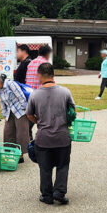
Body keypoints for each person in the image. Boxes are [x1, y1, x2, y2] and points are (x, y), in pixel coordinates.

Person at [26, 63, 75, 205]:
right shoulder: (65, 92)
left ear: (39, 75)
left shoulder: (34, 94)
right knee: (63, 165)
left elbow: (28, 114)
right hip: (62, 137)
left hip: (43, 137)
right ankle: (59, 192)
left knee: (45, 167)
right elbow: (73, 110)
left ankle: (46, 195)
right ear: (53, 75)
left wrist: (39, 121)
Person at [0, 71, 31, 162]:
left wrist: (25, 110)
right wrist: (5, 115)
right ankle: (9, 153)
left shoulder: (11, 84)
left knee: (21, 133)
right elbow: (2, 103)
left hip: (20, 110)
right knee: (8, 132)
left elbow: (21, 97)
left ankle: (20, 156)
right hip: (10, 111)